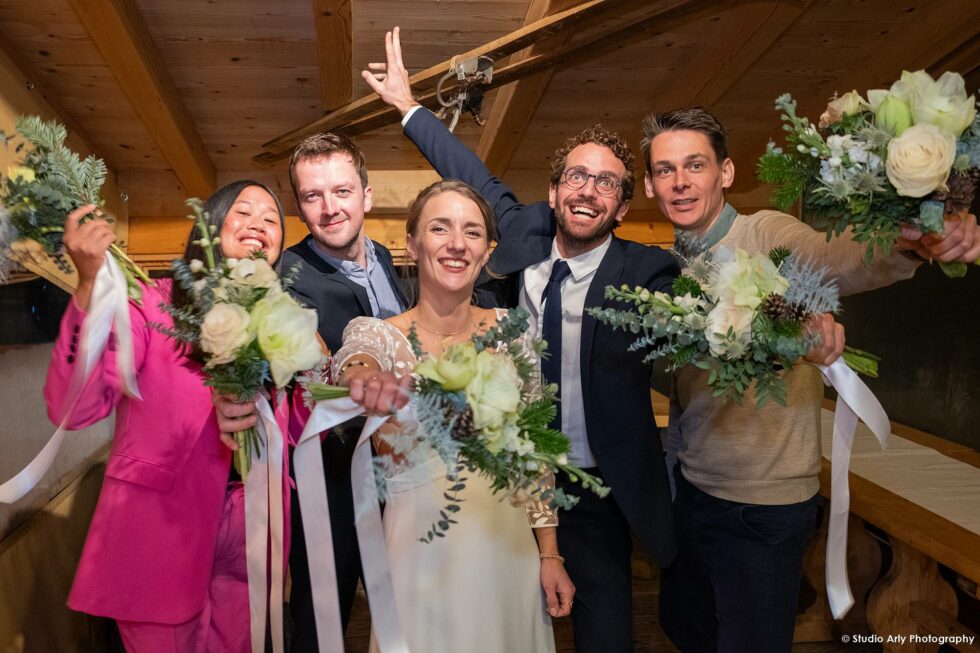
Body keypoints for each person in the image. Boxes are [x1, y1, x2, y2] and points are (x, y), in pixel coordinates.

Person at [362, 27, 680, 652]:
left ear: (621, 206)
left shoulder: (649, 273)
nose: (588, 188)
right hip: (502, 487)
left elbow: (693, 326)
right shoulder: (519, 238)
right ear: (556, 187)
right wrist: (408, 106)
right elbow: (465, 175)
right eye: (577, 176)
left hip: (594, 487)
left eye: (608, 182)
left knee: (606, 636)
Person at [639, 106, 980, 653]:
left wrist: (909, 238)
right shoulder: (672, 266)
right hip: (695, 491)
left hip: (762, 507)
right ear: (653, 185)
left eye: (694, 165)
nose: (679, 182)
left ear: (725, 173)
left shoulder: (764, 232)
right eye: (664, 170)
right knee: (688, 630)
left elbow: (831, 257)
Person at [44, 180, 290, 652]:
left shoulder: (284, 319)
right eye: (244, 211)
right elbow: (75, 408)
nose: (260, 222)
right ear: (210, 225)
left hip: (254, 525)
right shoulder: (151, 304)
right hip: (162, 529)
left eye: (272, 217)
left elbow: (292, 426)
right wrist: (90, 288)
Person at [334, 179, 569, 653]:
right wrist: (362, 376)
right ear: (413, 244)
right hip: (417, 555)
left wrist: (549, 553)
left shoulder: (514, 333)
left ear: (487, 252)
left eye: (473, 232)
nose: (457, 244)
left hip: (507, 549)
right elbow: (353, 360)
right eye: (440, 228)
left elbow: (535, 451)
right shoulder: (380, 336)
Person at [278, 132, 409, 646]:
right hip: (330, 480)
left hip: (399, 472)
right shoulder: (285, 277)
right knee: (322, 615)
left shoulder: (383, 257)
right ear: (300, 205)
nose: (330, 209)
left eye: (342, 191)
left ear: (366, 196)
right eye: (313, 196)